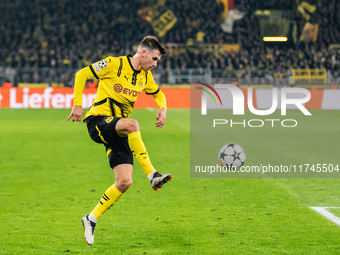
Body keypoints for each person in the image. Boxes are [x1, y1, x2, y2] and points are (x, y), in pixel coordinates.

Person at [67, 35, 171, 246]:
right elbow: (82, 74)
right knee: (132, 124)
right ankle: (152, 175)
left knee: (124, 181)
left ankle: (91, 218)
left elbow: (159, 94)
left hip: (117, 128)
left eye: (157, 60)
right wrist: (77, 103)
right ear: (142, 53)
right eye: (154, 58)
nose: (155, 64)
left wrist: (163, 107)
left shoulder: (144, 77)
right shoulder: (114, 64)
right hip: (97, 122)